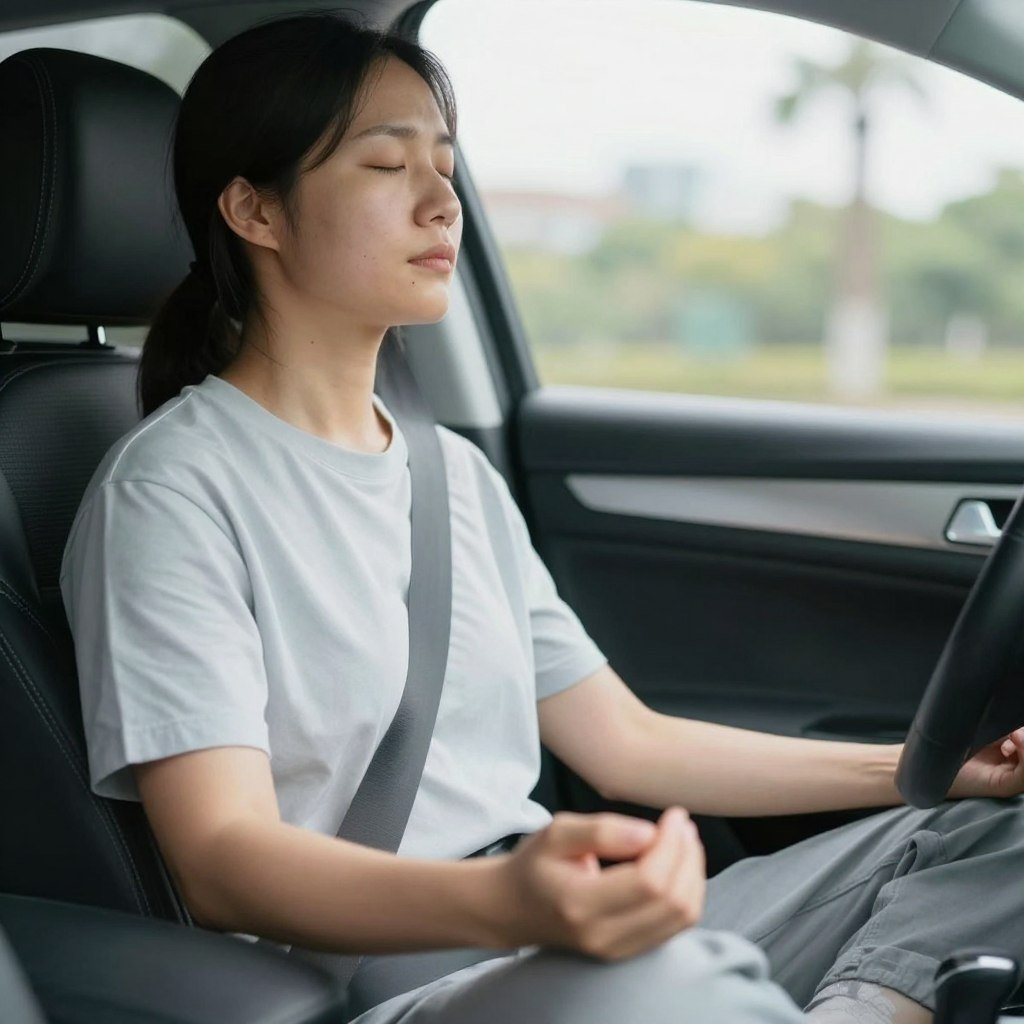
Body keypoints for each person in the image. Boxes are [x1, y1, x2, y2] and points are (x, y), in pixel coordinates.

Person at [58, 11, 1024, 1024]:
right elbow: (222, 861)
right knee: (677, 983)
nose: (443, 202)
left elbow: (628, 745)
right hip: (388, 978)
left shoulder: (452, 475)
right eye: (389, 167)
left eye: (446, 163)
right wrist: (508, 900)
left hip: (549, 941)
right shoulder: (170, 492)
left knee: (996, 839)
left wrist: (937, 771)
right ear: (255, 210)